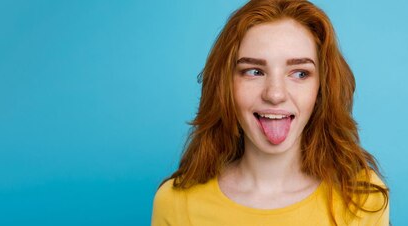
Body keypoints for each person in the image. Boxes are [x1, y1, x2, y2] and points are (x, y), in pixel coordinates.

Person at [150, 0, 389, 225]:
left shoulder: (363, 199)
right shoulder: (175, 203)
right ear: (225, 86)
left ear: (321, 89)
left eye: (300, 73)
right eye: (254, 71)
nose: (275, 95)